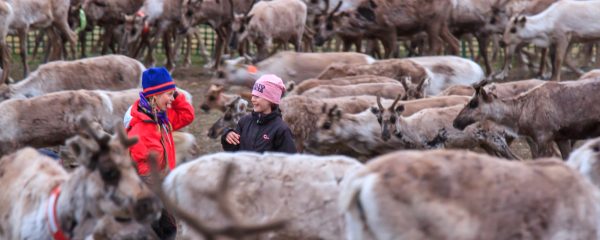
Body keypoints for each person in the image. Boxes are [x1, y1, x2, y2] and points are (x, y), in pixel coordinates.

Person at [126, 67, 194, 239]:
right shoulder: (141, 129)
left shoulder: (161, 117)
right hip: (151, 195)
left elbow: (187, 115)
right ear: (154, 96)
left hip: (163, 187)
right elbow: (143, 172)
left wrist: (176, 95)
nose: (172, 98)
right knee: (159, 231)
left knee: (168, 230)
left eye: (173, 94)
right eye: (169, 94)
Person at [221, 74, 297, 153]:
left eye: (257, 96)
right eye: (253, 95)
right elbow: (233, 150)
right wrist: (227, 136)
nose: (253, 99)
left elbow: (289, 160)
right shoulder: (244, 121)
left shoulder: (281, 129)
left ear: (271, 100)